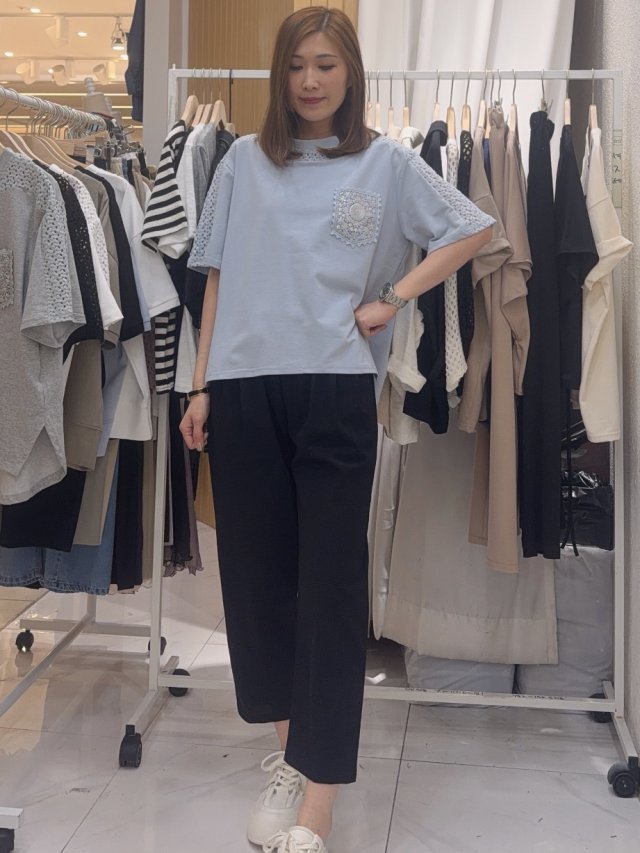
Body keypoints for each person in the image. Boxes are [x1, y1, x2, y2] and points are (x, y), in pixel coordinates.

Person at [181, 7, 494, 852]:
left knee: (328, 586)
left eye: (325, 64)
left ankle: (318, 802)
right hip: (243, 386)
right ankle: (292, 756)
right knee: (255, 580)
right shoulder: (243, 162)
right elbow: (215, 278)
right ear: (279, 77)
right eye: (295, 66)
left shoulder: (386, 162)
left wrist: (393, 297)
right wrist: (201, 384)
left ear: (350, 72)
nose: (310, 80)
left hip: (335, 387)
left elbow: (473, 228)